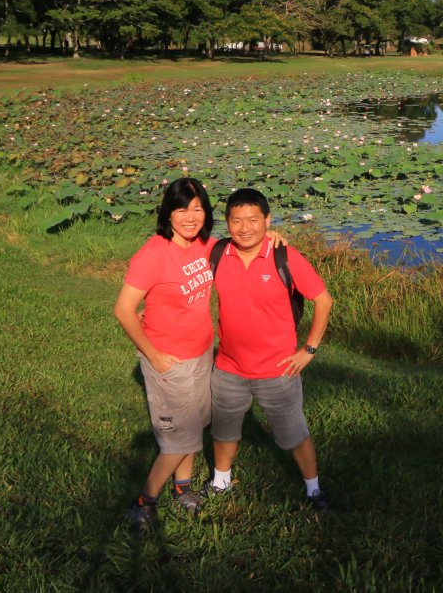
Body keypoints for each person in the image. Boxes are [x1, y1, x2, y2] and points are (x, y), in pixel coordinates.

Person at [206, 188, 334, 511]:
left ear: (267, 220)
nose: (245, 227)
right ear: (227, 222)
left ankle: (314, 490)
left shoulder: (284, 256)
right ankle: (220, 482)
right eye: (237, 220)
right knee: (224, 430)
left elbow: (323, 300)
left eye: (253, 219)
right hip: (228, 368)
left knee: (294, 433)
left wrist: (310, 349)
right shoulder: (217, 253)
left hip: (279, 369)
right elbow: (180, 262)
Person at [113, 177, 217, 533]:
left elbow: (245, 245)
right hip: (168, 360)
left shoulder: (206, 245)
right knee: (178, 440)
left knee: (196, 428)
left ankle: (182, 490)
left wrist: (274, 238)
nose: (190, 216)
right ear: (167, 213)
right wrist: (153, 355)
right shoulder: (153, 254)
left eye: (197, 207)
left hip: (202, 353)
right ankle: (143, 502)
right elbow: (124, 310)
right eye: (181, 208)